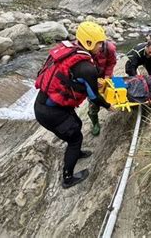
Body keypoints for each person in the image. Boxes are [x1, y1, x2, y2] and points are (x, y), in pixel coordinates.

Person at [34, 21, 114, 189]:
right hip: (50, 112)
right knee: (75, 138)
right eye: (100, 43)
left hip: (47, 103)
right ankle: (68, 178)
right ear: (89, 43)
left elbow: (70, 78)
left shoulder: (70, 50)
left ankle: (76, 154)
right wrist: (108, 106)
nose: (102, 46)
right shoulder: (86, 68)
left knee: (76, 124)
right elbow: (94, 97)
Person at [89, 40, 117, 136]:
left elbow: (111, 63)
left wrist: (107, 77)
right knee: (93, 101)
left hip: (106, 74)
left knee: (116, 90)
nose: (99, 47)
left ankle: (117, 109)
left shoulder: (110, 48)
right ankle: (95, 123)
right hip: (91, 76)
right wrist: (93, 80)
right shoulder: (85, 48)